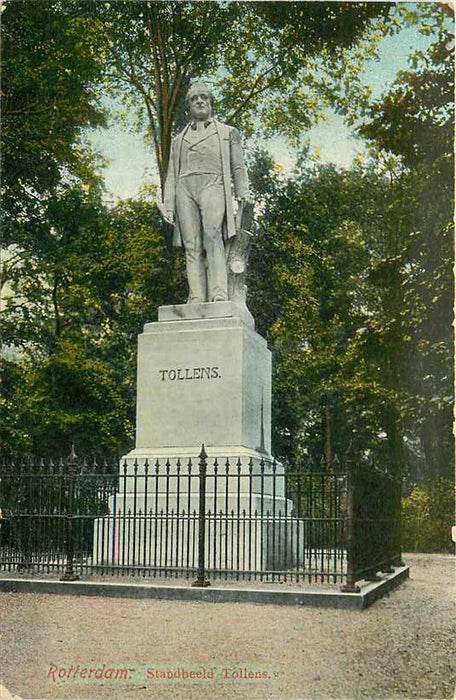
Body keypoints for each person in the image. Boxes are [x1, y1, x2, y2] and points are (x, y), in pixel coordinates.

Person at [162, 83, 251, 303]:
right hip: (184, 188)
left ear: (210, 103)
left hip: (213, 183)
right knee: (191, 244)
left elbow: (238, 166)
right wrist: (168, 206)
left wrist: (243, 191)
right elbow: (172, 175)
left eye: (204, 98)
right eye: (194, 99)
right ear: (189, 106)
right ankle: (197, 296)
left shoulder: (227, 133)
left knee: (212, 236)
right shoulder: (177, 140)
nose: (199, 101)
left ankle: (219, 293)